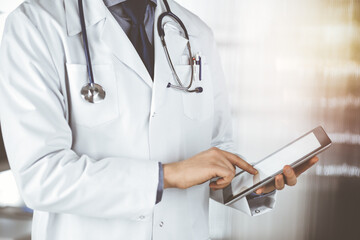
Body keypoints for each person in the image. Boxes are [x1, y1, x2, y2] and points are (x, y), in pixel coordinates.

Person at [0, 0, 319, 239]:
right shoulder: (36, 25)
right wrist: (166, 175)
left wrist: (250, 183)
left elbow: (214, 151)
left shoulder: (194, 33)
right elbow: (41, 176)